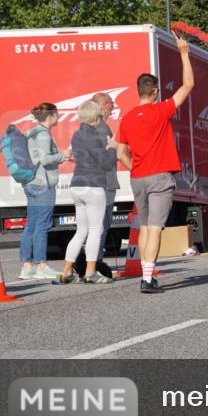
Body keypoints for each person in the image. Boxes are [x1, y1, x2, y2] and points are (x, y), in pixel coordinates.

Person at [116, 33, 195, 294]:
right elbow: (188, 86)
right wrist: (184, 53)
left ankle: (146, 275)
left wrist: (133, 167)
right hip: (160, 177)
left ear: (139, 91)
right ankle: (147, 278)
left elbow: (121, 151)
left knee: (146, 227)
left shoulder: (127, 119)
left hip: (138, 177)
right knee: (155, 229)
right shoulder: (161, 110)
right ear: (155, 92)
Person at [60, 101, 117, 284]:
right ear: (94, 117)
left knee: (81, 231)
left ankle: (67, 271)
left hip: (77, 184)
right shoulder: (95, 137)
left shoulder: (77, 134)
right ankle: (90, 272)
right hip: (93, 186)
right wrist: (112, 148)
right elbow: (106, 164)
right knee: (95, 230)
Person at [18, 103, 73, 280]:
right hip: (43, 185)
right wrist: (63, 155)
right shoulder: (43, 135)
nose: (58, 117)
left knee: (31, 225)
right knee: (42, 225)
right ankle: (41, 265)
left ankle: (27, 267)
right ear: (50, 116)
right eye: (56, 114)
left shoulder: (32, 133)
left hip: (32, 183)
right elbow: (45, 159)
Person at [89, 92, 129, 278]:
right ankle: (95, 264)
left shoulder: (89, 126)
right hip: (104, 182)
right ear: (104, 105)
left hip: (94, 182)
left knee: (94, 226)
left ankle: (92, 263)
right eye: (111, 104)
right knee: (101, 226)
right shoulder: (102, 128)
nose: (113, 108)